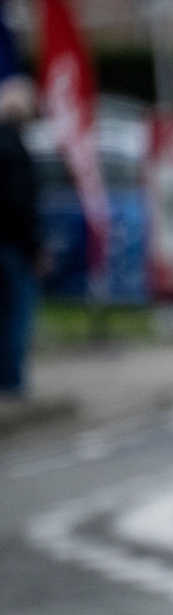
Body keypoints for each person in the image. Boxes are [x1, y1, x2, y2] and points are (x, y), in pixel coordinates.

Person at [0, 71, 38, 397]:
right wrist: (35, 247)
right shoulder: (15, 150)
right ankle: (11, 383)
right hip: (12, 246)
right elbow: (20, 203)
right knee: (16, 313)